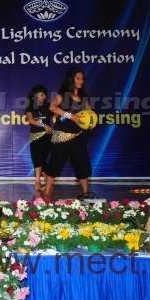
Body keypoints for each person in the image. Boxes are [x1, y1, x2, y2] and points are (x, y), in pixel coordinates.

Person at [43, 67, 95, 200]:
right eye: (78, 78)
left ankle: (85, 193)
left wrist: (91, 120)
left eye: (82, 79)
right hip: (63, 136)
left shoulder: (84, 98)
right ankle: (46, 193)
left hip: (78, 137)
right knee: (55, 163)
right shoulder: (63, 95)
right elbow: (52, 107)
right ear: (71, 79)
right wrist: (70, 116)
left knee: (82, 163)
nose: (81, 81)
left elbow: (90, 114)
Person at [24, 85, 53, 198]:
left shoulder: (48, 106)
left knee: (42, 158)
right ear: (35, 95)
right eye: (41, 95)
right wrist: (43, 125)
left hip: (46, 136)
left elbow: (58, 113)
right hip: (35, 136)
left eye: (44, 95)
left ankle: (40, 181)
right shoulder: (31, 107)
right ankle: (42, 181)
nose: (44, 97)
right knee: (36, 157)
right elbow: (31, 120)